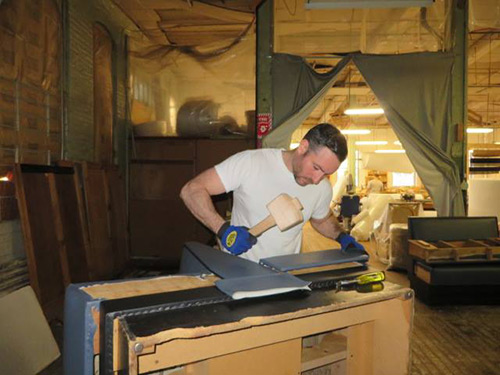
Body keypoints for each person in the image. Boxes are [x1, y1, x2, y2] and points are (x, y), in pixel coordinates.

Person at [180, 123, 365, 263]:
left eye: (326, 173)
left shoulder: (322, 187)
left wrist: (343, 237)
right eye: (316, 168)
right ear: (303, 147)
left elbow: (321, 219)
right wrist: (224, 230)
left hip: (285, 272)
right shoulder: (251, 163)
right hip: (238, 268)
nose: (317, 179)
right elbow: (192, 190)